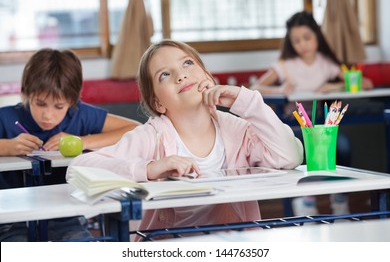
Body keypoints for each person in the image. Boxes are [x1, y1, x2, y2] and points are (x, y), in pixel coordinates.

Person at [68, 39, 304, 241]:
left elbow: (289, 156)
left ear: (207, 76)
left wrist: (248, 103)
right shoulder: (152, 136)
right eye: (165, 75)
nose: (181, 75)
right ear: (158, 103)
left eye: (188, 63)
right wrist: (148, 169)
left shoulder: (238, 130)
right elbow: (77, 169)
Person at [0, 48, 140, 241]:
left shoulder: (79, 115)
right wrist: (6, 147)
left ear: (72, 101)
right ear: (25, 94)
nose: (48, 115)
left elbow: (134, 128)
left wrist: (82, 141)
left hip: (66, 215)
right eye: (40, 104)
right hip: (13, 218)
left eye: (59, 107)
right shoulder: (6, 117)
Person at [251, 11, 374, 216]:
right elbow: (256, 87)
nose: (303, 44)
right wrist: (279, 90)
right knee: (307, 150)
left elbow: (365, 84)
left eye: (307, 38)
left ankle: (339, 200)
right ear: (291, 43)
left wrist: (333, 86)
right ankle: (306, 199)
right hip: (294, 125)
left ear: (317, 36)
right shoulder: (285, 66)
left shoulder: (325, 63)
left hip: (322, 125)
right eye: (297, 40)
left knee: (341, 146)